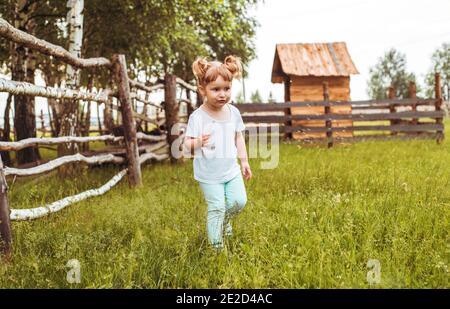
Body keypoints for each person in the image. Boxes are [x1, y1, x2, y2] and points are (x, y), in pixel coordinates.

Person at [184, 55, 252, 249]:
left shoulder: (233, 112)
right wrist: (197, 142)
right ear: (203, 90)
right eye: (215, 89)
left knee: (239, 202)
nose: (222, 94)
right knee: (217, 207)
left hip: (231, 170)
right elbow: (186, 145)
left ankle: (225, 222)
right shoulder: (198, 117)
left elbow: (238, 137)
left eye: (226, 88)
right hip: (209, 175)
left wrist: (244, 161)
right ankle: (216, 248)